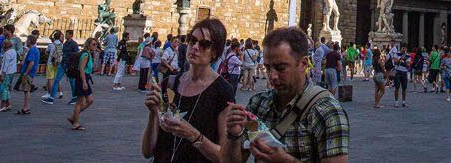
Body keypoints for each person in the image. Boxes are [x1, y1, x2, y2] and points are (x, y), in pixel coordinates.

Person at [218, 26, 349, 163]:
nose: (272, 76)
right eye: (268, 68)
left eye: (281, 68)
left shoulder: (327, 112)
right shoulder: (258, 104)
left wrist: (284, 160)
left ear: (304, 64)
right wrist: (234, 135)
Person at [142, 18, 237, 162]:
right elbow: (147, 151)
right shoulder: (169, 84)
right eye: (192, 40)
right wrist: (153, 113)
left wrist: (191, 134)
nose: (195, 47)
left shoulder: (222, 91)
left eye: (204, 44)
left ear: (215, 52)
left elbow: (224, 157)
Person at [68, 37, 99, 130]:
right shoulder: (85, 54)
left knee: (90, 100)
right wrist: (84, 81)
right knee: (80, 101)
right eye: (93, 44)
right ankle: (75, 123)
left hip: (85, 78)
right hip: (82, 78)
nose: (95, 46)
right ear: (88, 45)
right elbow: (81, 68)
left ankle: (73, 117)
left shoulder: (88, 54)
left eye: (96, 44)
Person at [16, 33, 40, 114]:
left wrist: (26, 72)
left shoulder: (32, 50)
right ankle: (26, 107)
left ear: (29, 41)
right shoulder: (36, 50)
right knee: (27, 90)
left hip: (28, 73)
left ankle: (26, 107)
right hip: (31, 72)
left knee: (26, 91)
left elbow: (31, 62)